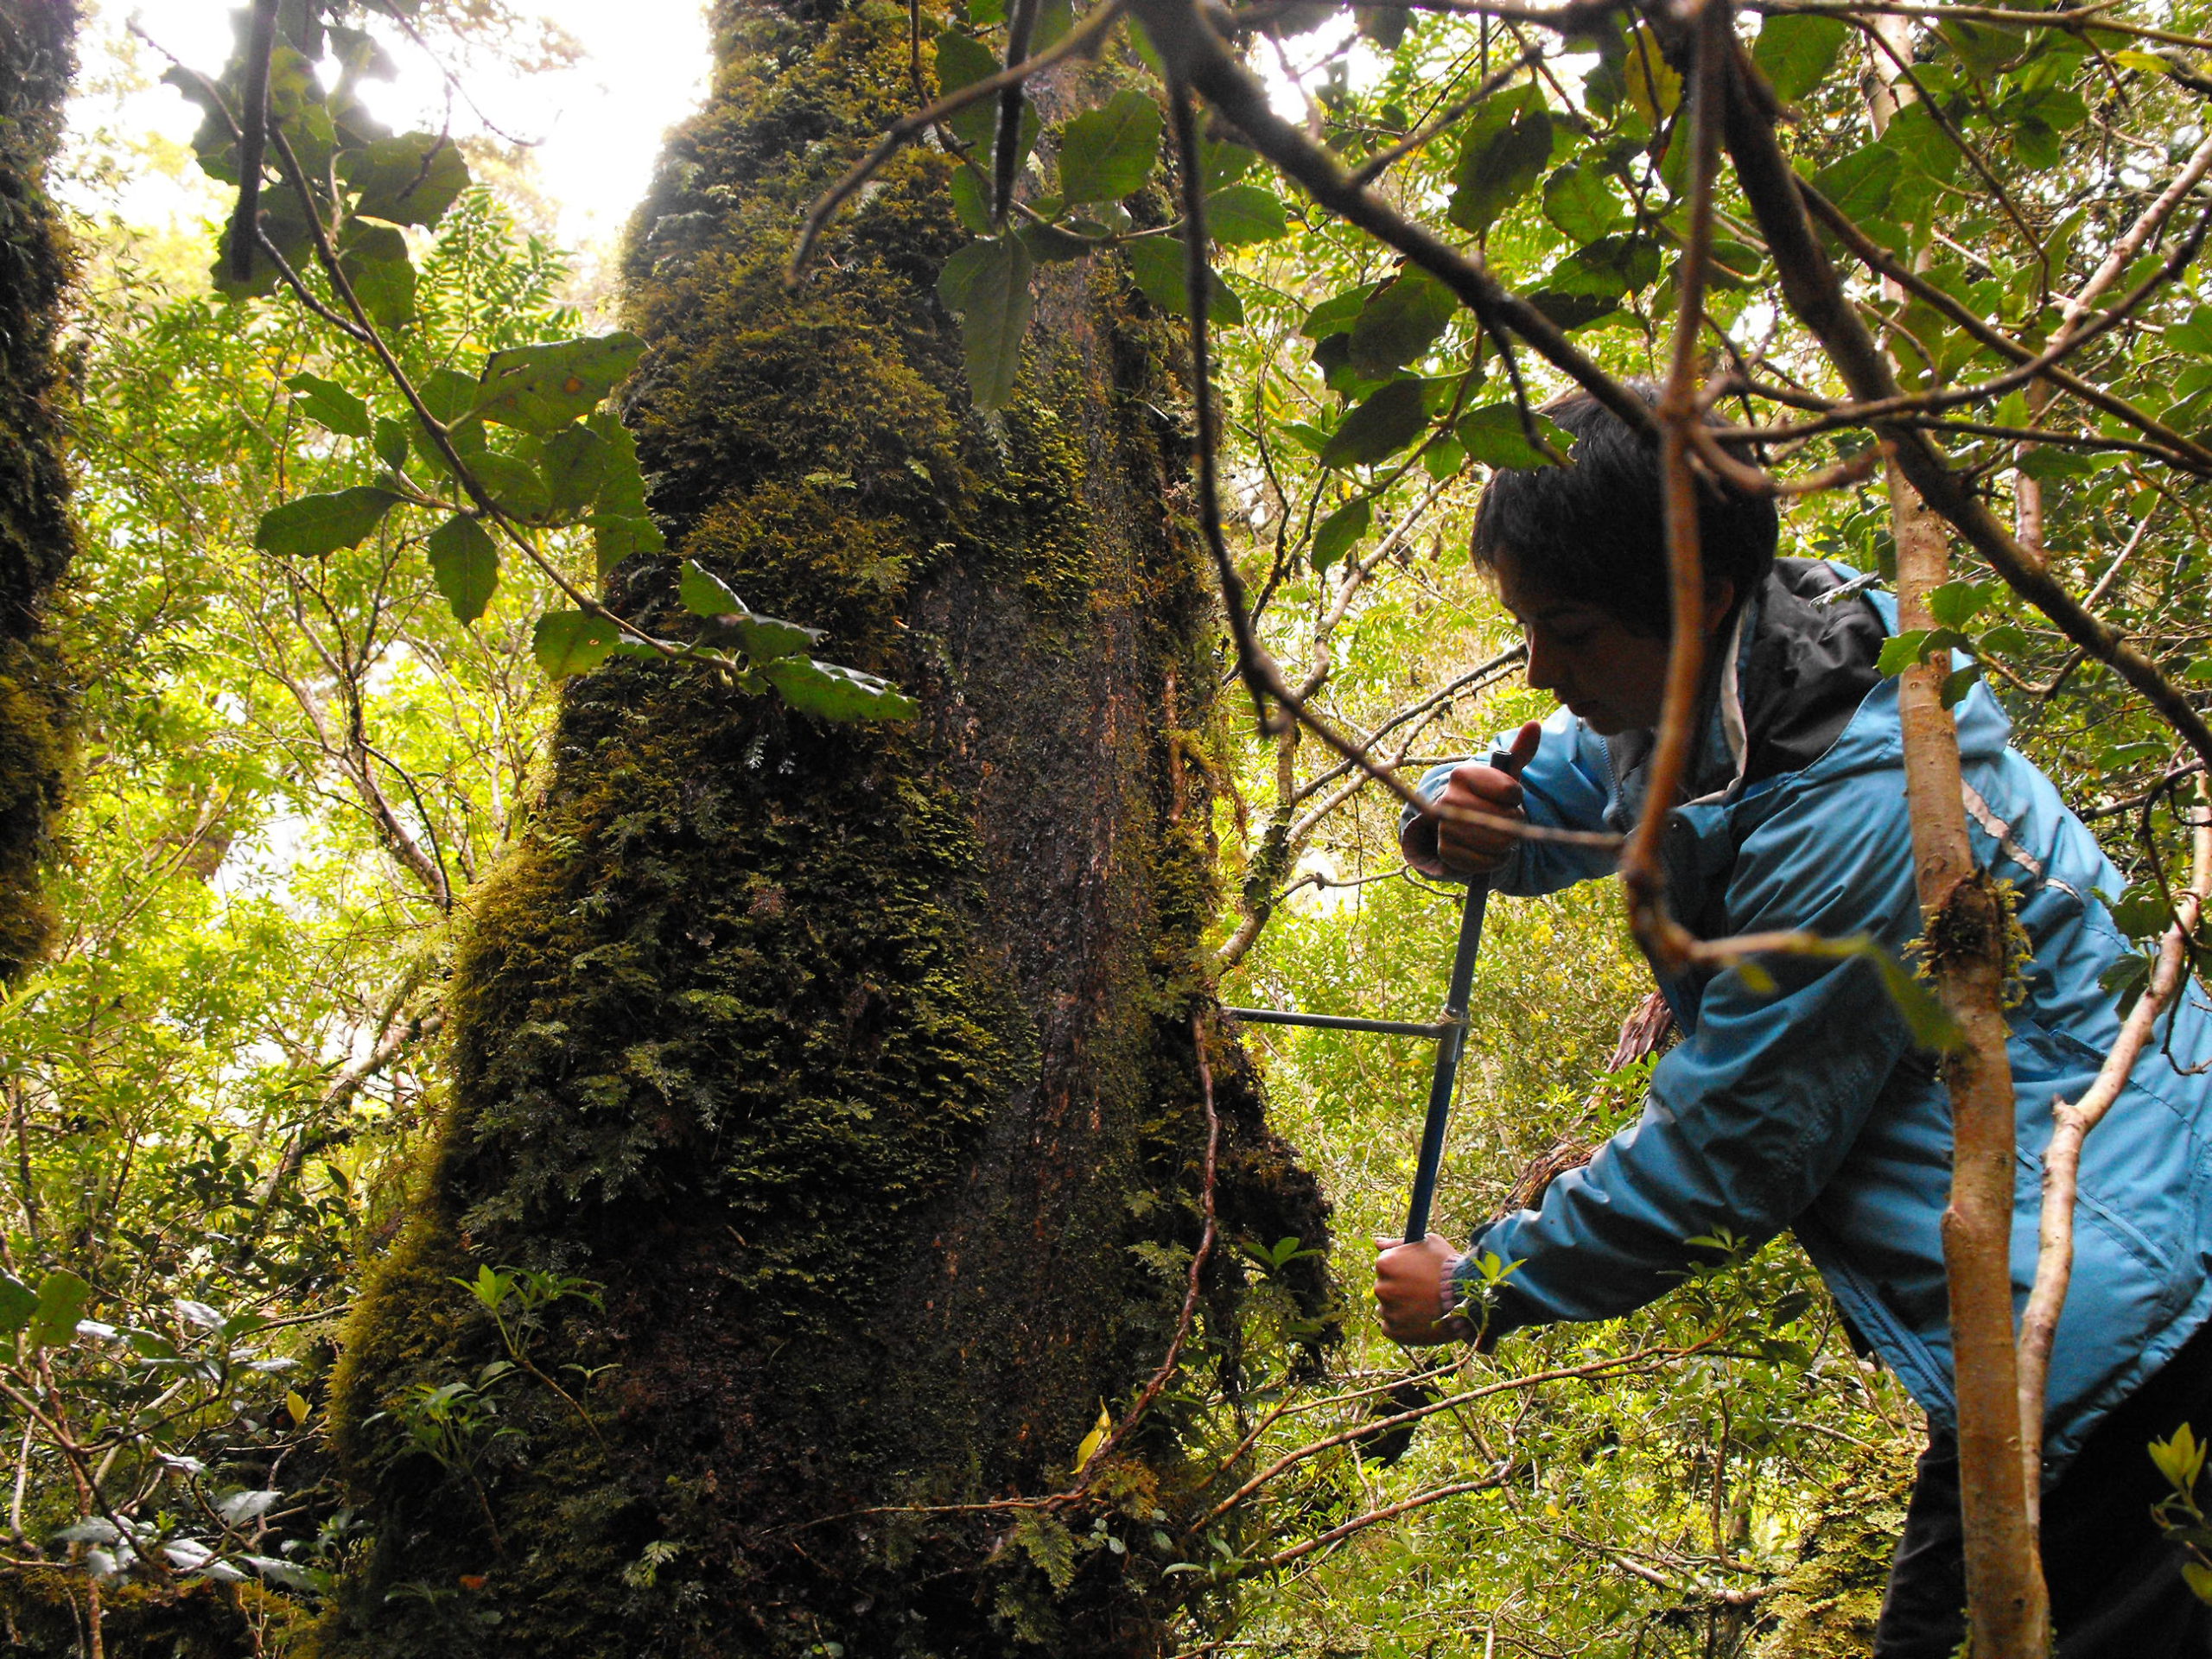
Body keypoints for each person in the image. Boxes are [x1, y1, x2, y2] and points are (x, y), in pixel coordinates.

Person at [1375, 388, 2212, 1655]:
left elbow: (1735, 1152)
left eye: (1570, 630)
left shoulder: (1863, 813)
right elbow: (1602, 758)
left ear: (1696, 598)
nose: (1541, 668)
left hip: (2123, 1327)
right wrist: (1456, 811)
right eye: (1526, 629)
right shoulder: (1776, 640)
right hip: (2111, 1300)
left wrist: (1482, 1283)